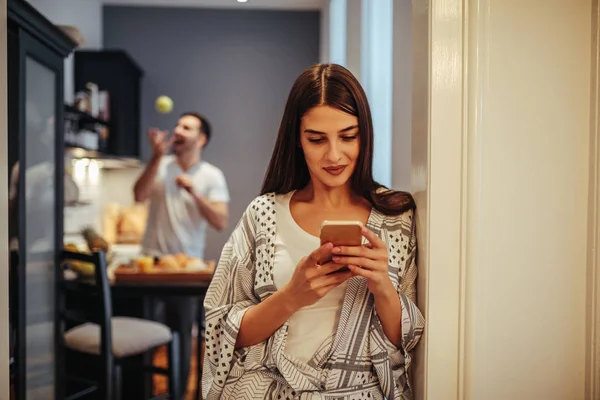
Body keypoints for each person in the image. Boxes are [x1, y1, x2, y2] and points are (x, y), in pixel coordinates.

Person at [202, 64, 425, 400]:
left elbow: (404, 341)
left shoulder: (395, 217)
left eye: (348, 136)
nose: (334, 155)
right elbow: (222, 331)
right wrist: (293, 295)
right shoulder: (263, 214)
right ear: (297, 139)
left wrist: (381, 285)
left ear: (365, 134)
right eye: (317, 139)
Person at [133, 112, 230, 395]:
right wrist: (155, 157)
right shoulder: (160, 165)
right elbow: (139, 195)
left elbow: (220, 221)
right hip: (150, 264)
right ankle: (144, 393)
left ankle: (177, 394)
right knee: (144, 338)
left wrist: (195, 192)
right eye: (177, 125)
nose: (177, 129)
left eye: (185, 127)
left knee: (182, 339)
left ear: (201, 139)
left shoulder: (212, 176)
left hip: (187, 269)